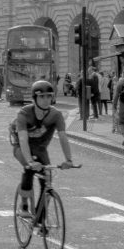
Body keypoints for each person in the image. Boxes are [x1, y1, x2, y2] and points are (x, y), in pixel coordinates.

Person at [11, 80, 75, 217]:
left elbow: (63, 137)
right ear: (34, 98)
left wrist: (68, 160)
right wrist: (30, 161)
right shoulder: (24, 113)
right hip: (21, 147)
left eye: (49, 96)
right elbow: (22, 139)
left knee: (47, 181)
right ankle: (24, 206)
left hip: (40, 149)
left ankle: (41, 221)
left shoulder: (56, 115)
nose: (46, 100)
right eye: (42, 97)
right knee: (29, 169)